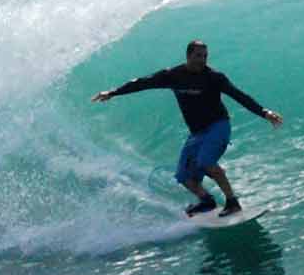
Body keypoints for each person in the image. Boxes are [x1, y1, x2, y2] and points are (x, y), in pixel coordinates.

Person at [92, 40, 283, 217]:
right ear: (188, 55)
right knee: (184, 177)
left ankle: (232, 202)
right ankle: (206, 201)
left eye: (205, 56)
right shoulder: (173, 75)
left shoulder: (214, 77)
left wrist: (264, 112)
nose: (202, 60)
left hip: (218, 125)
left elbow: (239, 96)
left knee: (206, 161)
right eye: (198, 55)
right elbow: (143, 83)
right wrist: (114, 93)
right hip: (197, 133)